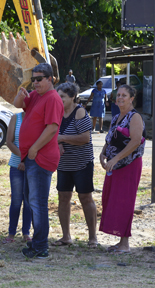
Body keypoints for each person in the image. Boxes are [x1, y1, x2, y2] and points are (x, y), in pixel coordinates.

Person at [13, 63, 64, 259]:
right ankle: (38, 243)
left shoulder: (52, 98)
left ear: (50, 79)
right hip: (32, 157)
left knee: (38, 202)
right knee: (32, 201)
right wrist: (20, 94)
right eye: (33, 79)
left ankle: (41, 246)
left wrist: (34, 148)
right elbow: (19, 105)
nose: (35, 82)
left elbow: (52, 128)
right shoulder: (36, 95)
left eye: (39, 79)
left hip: (41, 157)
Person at [99, 84, 145, 254]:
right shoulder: (116, 116)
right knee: (112, 200)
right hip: (114, 166)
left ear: (132, 98)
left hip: (128, 166)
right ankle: (120, 241)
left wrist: (117, 158)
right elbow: (110, 138)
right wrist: (103, 154)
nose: (120, 98)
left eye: (124, 95)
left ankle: (125, 244)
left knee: (124, 202)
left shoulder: (135, 117)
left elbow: (135, 141)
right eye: (118, 95)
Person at [54, 82, 98, 248]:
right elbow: (53, 133)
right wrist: (58, 142)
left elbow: (85, 138)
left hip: (82, 163)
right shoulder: (57, 112)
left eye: (63, 97)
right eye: (58, 97)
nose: (60, 100)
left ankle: (92, 237)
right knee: (63, 198)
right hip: (64, 164)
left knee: (85, 198)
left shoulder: (80, 112)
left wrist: (62, 138)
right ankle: (66, 236)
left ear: (72, 97)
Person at [3, 111, 32, 244]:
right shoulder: (16, 117)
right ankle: (11, 232)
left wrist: (26, 161)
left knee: (28, 201)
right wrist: (22, 158)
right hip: (16, 165)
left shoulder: (38, 118)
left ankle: (26, 232)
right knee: (16, 200)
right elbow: (9, 142)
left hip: (32, 165)